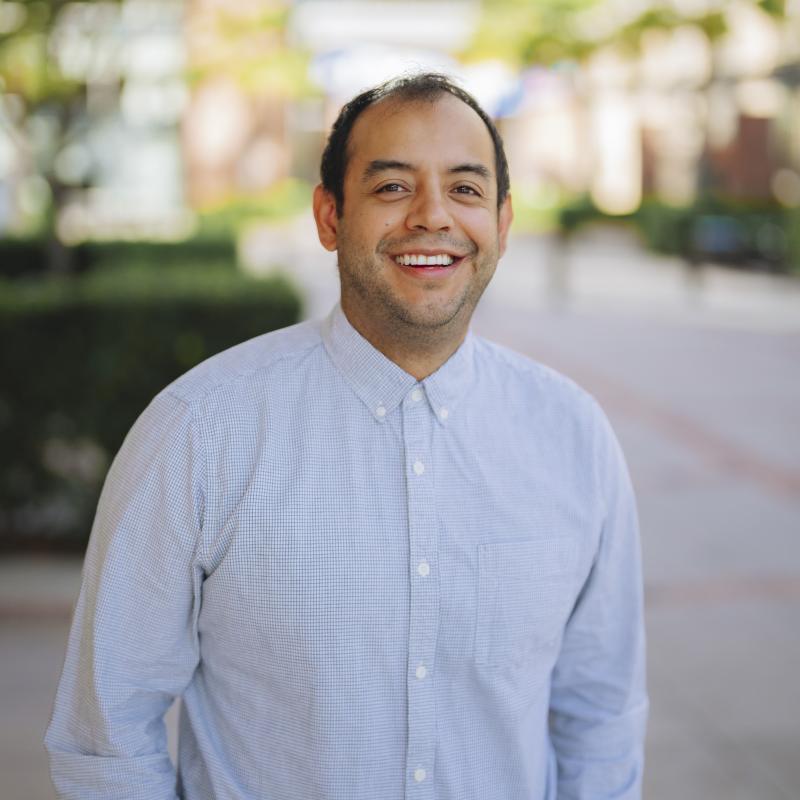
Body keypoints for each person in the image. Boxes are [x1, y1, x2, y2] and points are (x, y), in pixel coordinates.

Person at [45, 73, 647, 800]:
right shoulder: (199, 433)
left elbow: (600, 717)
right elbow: (106, 737)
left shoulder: (573, 437)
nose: (433, 217)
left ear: (504, 222)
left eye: (465, 189)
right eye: (392, 188)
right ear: (329, 216)